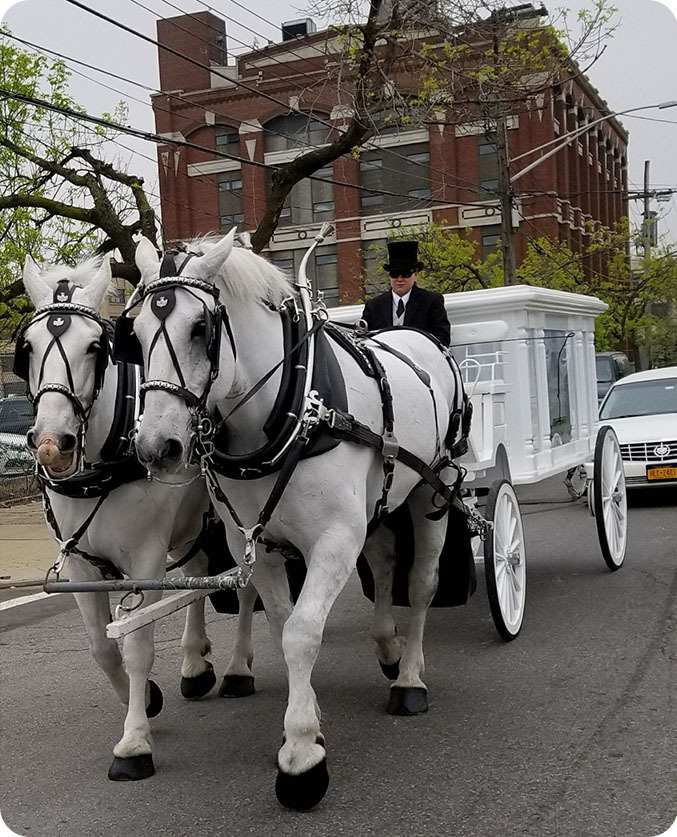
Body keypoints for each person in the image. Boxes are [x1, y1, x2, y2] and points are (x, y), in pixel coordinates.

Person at [361, 240, 450, 346]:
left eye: (405, 274)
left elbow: (442, 338)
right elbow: (363, 340)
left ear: (415, 275)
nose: (399, 279)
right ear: (389, 276)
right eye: (394, 274)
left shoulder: (431, 302)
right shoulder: (374, 306)